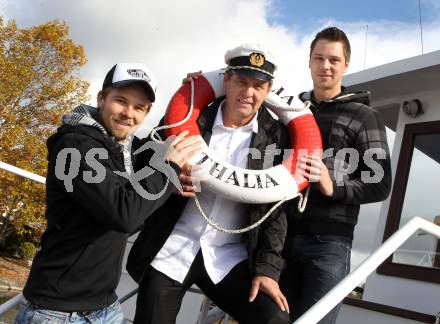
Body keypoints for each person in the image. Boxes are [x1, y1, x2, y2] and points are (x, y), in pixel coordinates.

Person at [15, 62, 201, 324]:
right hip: (56, 312)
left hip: (105, 307)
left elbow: (163, 139)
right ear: (102, 99)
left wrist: (190, 94)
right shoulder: (74, 147)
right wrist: (166, 167)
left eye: (139, 108)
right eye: (121, 101)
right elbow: (124, 214)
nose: (128, 113)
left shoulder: (125, 148)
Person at [126, 44, 291, 324]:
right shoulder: (189, 116)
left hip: (228, 256)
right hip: (173, 246)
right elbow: (143, 158)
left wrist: (268, 270)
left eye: (257, 86)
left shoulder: (277, 138)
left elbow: (275, 209)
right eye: (241, 82)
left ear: (268, 91)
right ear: (226, 80)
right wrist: (169, 178)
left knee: (274, 319)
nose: (248, 93)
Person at [280, 27, 392, 323]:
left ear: (346, 65)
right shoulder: (288, 110)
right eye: (319, 58)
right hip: (279, 237)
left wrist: (333, 186)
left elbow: (380, 183)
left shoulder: (365, 116)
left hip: (329, 243)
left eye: (333, 59)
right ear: (309, 62)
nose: (325, 66)